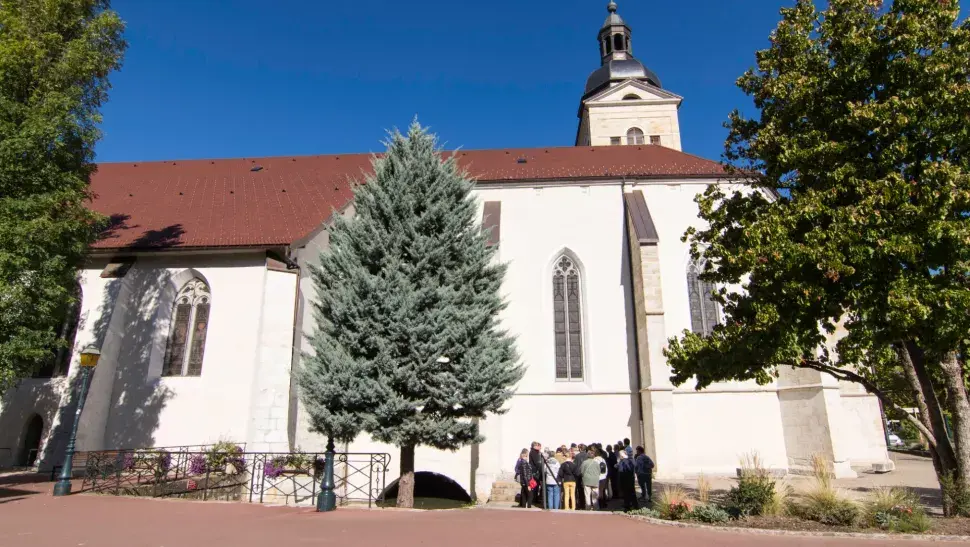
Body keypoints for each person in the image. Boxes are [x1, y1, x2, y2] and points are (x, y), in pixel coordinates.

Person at [573, 445, 588, 509]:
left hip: (578, 474)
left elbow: (575, 465)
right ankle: (585, 504)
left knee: (579, 490)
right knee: (586, 490)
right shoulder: (587, 455)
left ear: (580, 449)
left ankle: (580, 504)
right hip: (585, 474)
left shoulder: (577, 456)